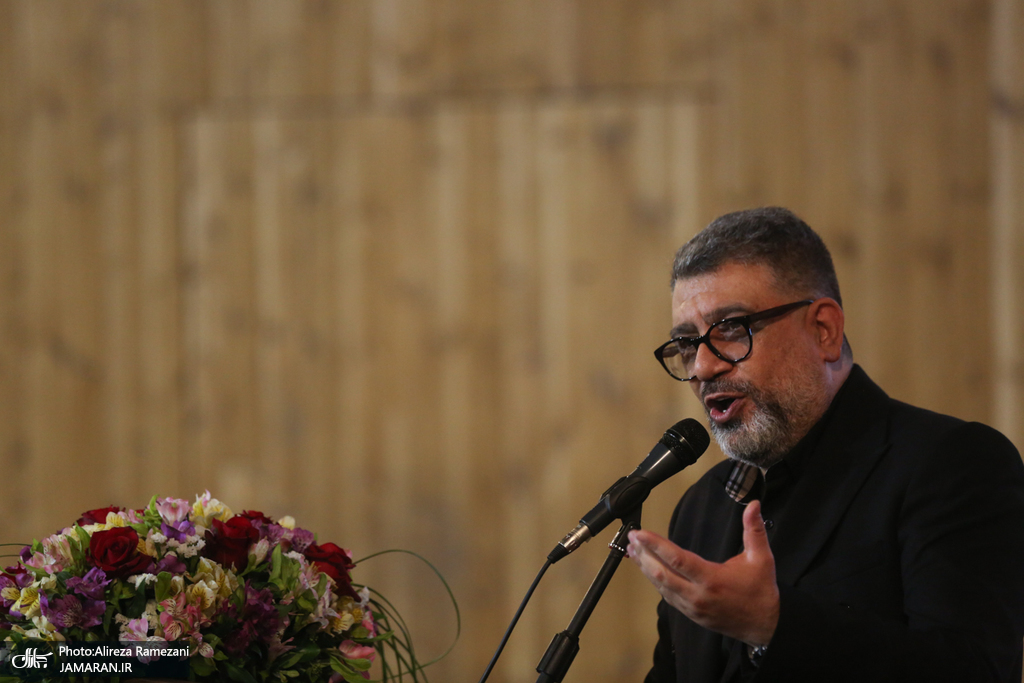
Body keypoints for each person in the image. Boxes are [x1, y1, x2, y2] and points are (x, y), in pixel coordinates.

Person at [627, 207, 1024, 682]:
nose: (703, 367)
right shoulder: (701, 508)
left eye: (731, 328)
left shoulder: (952, 465)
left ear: (824, 330)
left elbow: (973, 670)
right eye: (688, 343)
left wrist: (773, 625)